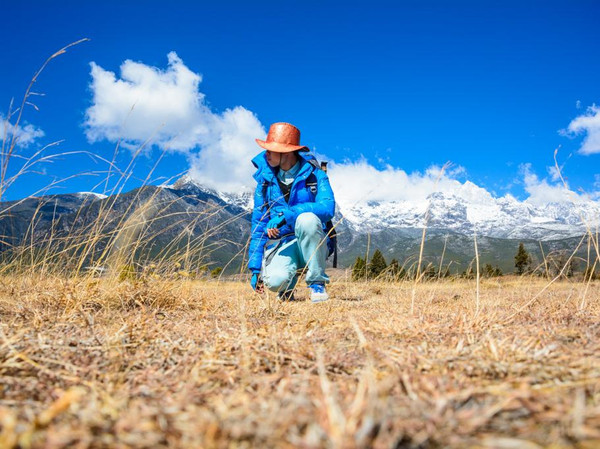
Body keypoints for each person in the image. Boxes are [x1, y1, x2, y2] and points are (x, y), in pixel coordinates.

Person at [247, 122, 336, 302]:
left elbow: (327, 208)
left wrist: (290, 214)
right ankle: (287, 286)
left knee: (307, 220)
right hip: (284, 242)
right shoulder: (264, 182)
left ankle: (317, 284)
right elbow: (258, 225)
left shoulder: (316, 175)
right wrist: (255, 269)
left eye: (271, 150)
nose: (266, 154)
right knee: (274, 282)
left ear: (286, 153)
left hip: (315, 241)